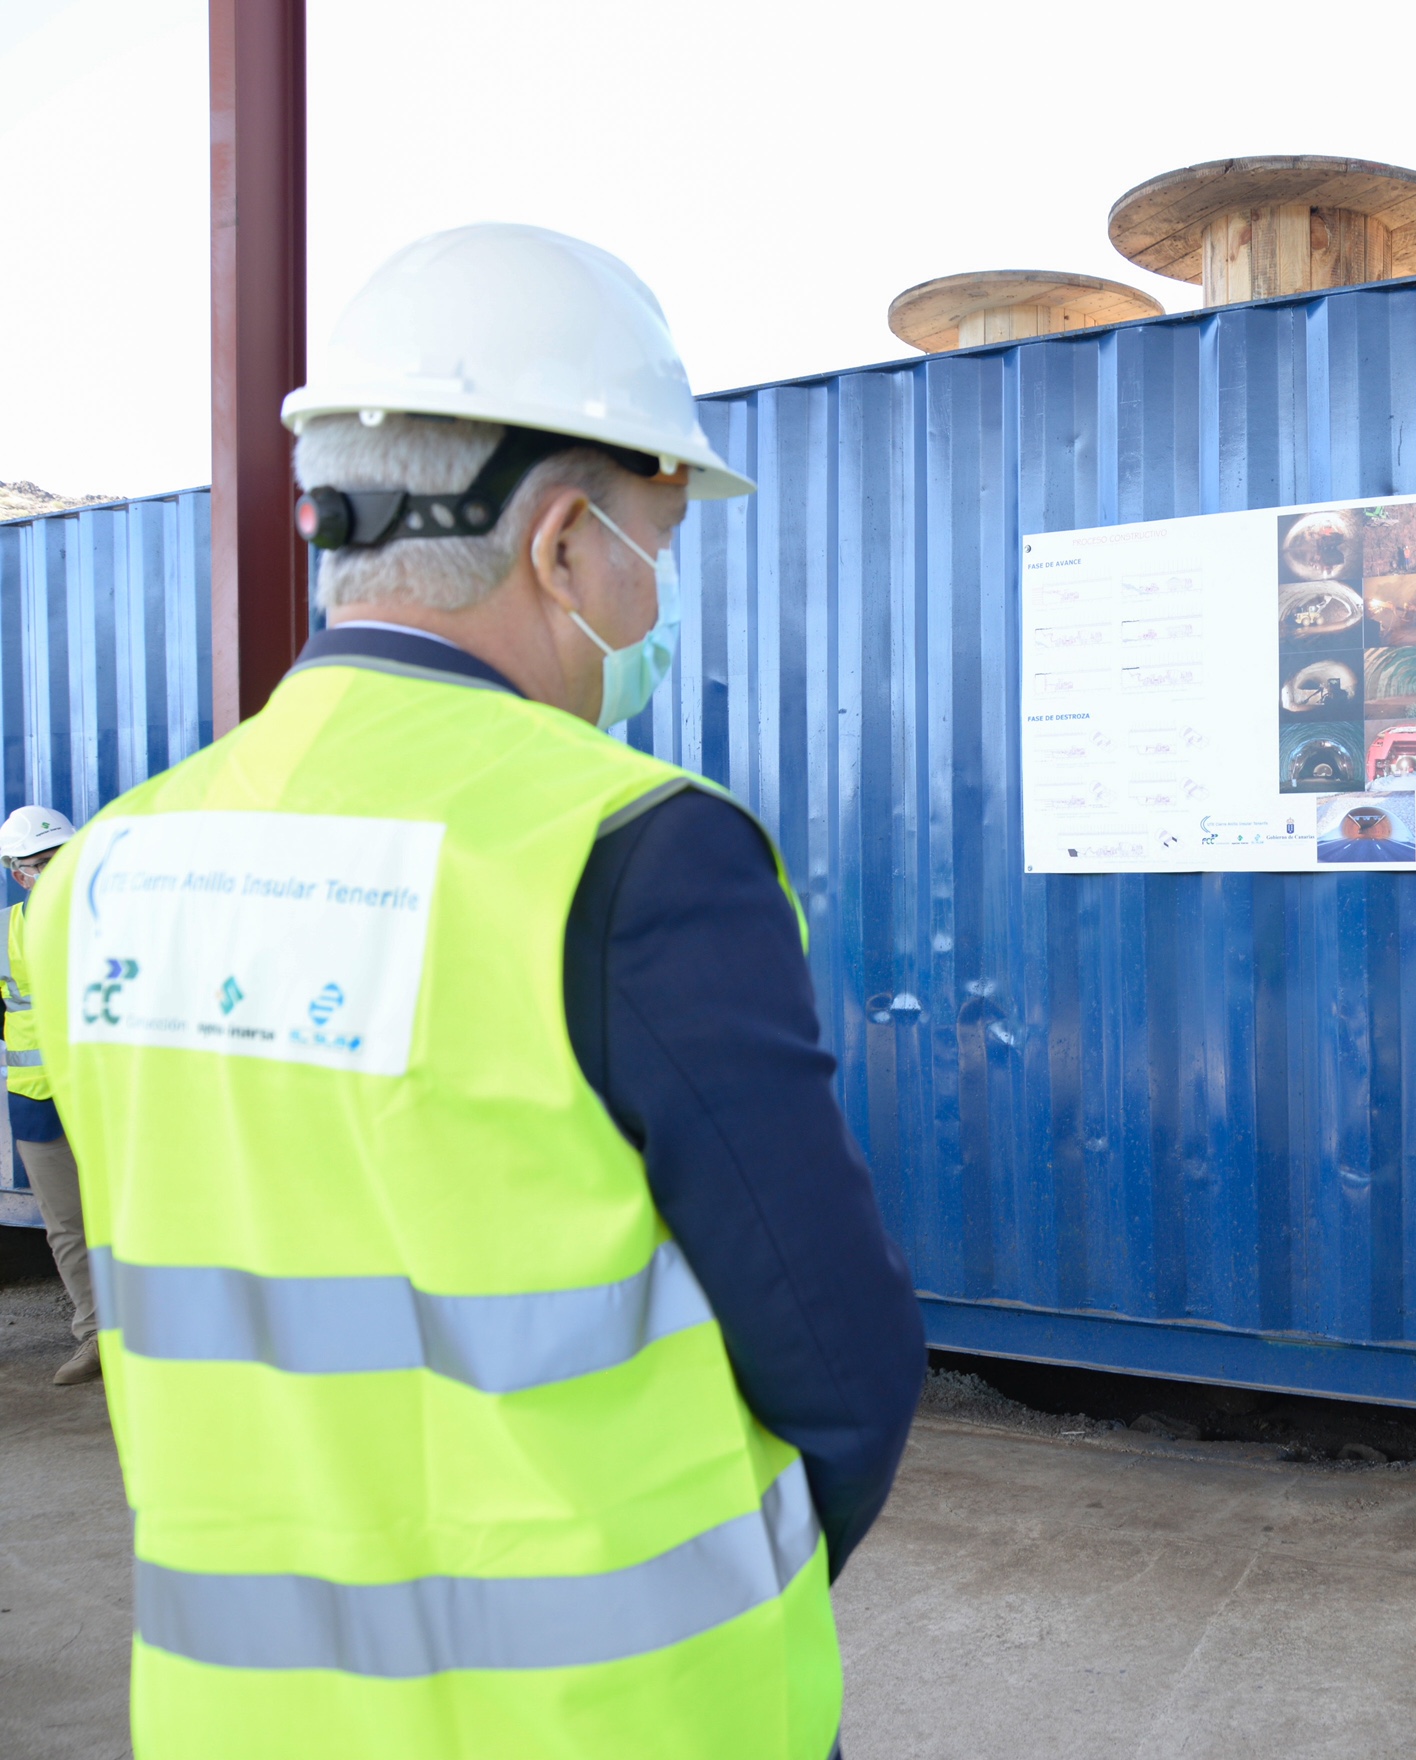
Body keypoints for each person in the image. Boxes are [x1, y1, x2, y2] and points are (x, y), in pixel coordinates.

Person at [25, 224, 923, 1758]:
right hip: (617, 1720)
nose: (653, 605)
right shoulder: (634, 855)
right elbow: (840, 1367)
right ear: (566, 543)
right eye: (657, 547)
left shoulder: (110, 868)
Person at [2, 804, 96, 1385]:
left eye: (61, 858)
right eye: (41, 864)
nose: (54, 871)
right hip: (39, 1103)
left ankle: (161, 1342)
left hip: (106, 1096)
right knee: (67, 1228)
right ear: (18, 873)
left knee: (138, 1217)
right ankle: (96, 1339)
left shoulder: (110, 917)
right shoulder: (5, 930)